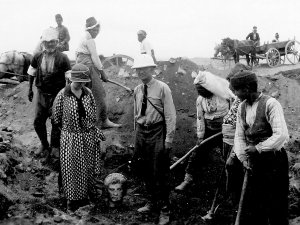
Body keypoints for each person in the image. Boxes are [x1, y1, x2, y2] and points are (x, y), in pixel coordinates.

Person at [230, 71, 289, 225]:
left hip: (274, 161)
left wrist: (259, 148)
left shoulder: (271, 104)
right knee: (256, 204)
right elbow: (239, 135)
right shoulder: (241, 107)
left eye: (236, 90)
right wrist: (243, 158)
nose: (235, 94)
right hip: (254, 162)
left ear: (247, 88)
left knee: (276, 203)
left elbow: (281, 135)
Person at [52, 63, 106, 212]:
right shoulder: (63, 94)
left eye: (83, 82)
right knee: (71, 169)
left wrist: (89, 130)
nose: (81, 84)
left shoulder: (88, 93)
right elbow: (56, 118)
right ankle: (71, 201)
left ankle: (85, 197)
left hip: (87, 137)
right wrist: (68, 133)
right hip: (70, 139)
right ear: (72, 80)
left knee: (87, 168)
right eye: (78, 82)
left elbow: (93, 113)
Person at [132, 54, 176, 225]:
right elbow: (136, 114)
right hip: (142, 133)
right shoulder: (137, 90)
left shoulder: (162, 88)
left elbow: (171, 115)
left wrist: (169, 140)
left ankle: (165, 208)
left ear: (152, 69)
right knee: (144, 169)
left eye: (144, 68)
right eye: (138, 69)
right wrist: (137, 135)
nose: (141, 72)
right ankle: (152, 201)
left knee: (160, 170)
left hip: (158, 131)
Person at [175, 71, 230, 192]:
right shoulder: (200, 100)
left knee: (229, 157)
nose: (200, 93)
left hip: (225, 132)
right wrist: (200, 136)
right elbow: (200, 118)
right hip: (209, 132)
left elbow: (234, 112)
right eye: (198, 91)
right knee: (197, 155)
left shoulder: (224, 96)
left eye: (202, 90)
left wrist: (229, 129)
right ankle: (187, 180)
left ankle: (231, 184)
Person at [27, 27, 71, 162]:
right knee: (38, 122)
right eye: (47, 42)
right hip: (41, 94)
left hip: (57, 95)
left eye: (52, 41)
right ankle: (44, 145)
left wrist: (66, 95)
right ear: (43, 43)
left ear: (56, 42)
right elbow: (31, 73)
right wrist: (30, 89)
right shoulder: (37, 57)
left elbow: (68, 78)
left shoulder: (63, 58)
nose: (50, 44)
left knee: (56, 122)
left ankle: (54, 147)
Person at [76, 16, 121, 128]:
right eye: (94, 30)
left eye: (97, 30)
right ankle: (102, 121)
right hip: (87, 68)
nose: (96, 32)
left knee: (84, 95)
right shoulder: (89, 39)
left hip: (81, 67)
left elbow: (78, 55)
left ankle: (87, 123)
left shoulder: (83, 38)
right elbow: (95, 57)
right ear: (89, 30)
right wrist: (102, 73)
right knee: (99, 94)